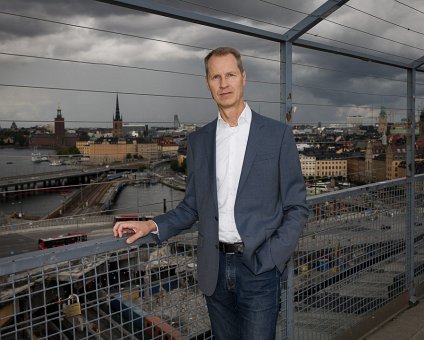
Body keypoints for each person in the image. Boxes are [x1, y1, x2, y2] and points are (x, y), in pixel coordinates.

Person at [113, 46, 309, 340]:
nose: (223, 83)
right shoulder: (199, 141)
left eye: (230, 74)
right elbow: (192, 207)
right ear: (208, 84)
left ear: (244, 78)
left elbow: (297, 206)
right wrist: (151, 225)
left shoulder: (277, 135)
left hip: (258, 266)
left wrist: (273, 256)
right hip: (214, 270)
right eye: (215, 77)